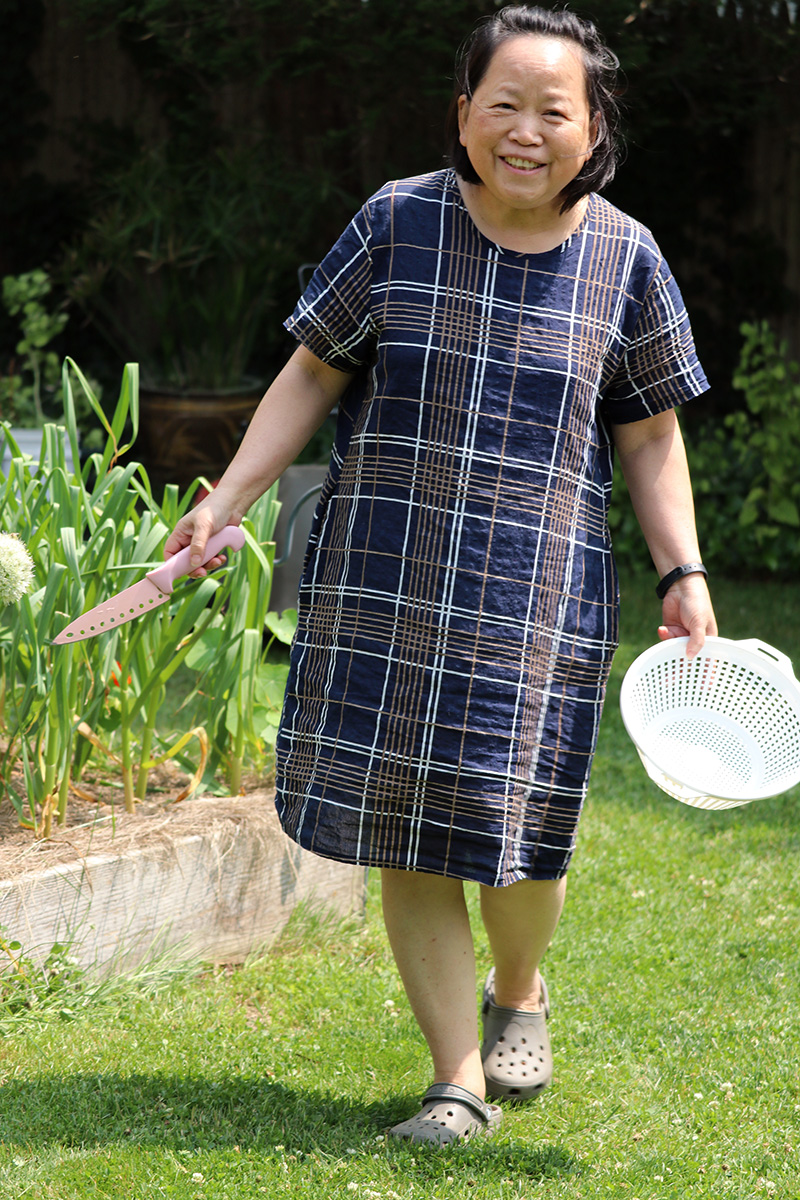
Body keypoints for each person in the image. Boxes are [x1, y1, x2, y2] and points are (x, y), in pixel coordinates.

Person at [165, 4, 717, 1146]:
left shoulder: (625, 257)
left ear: (594, 127)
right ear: (462, 116)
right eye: (501, 104)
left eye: (552, 111)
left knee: (518, 833)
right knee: (404, 825)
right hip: (386, 582)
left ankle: (520, 986)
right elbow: (311, 373)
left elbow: (650, 432)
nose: (525, 131)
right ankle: (454, 1080)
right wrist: (228, 499)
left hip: (535, 597)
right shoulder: (397, 221)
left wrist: (685, 570)